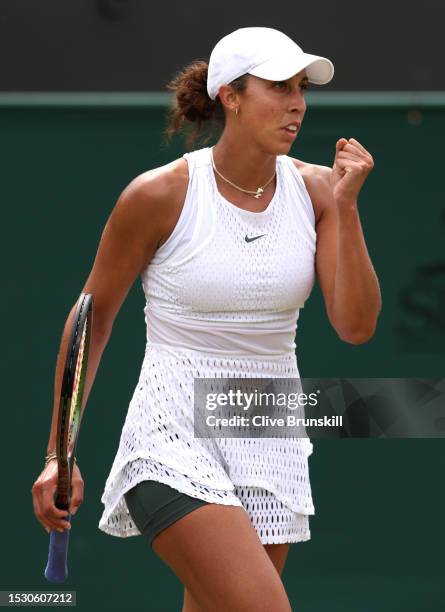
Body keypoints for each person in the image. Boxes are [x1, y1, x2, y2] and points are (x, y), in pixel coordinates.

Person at [32, 26, 381, 612]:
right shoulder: (159, 195)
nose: (297, 102)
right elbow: (92, 317)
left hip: (269, 434)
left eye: (301, 87)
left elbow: (356, 325)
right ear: (231, 96)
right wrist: (57, 455)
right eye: (278, 86)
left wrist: (346, 209)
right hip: (170, 438)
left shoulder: (322, 191)